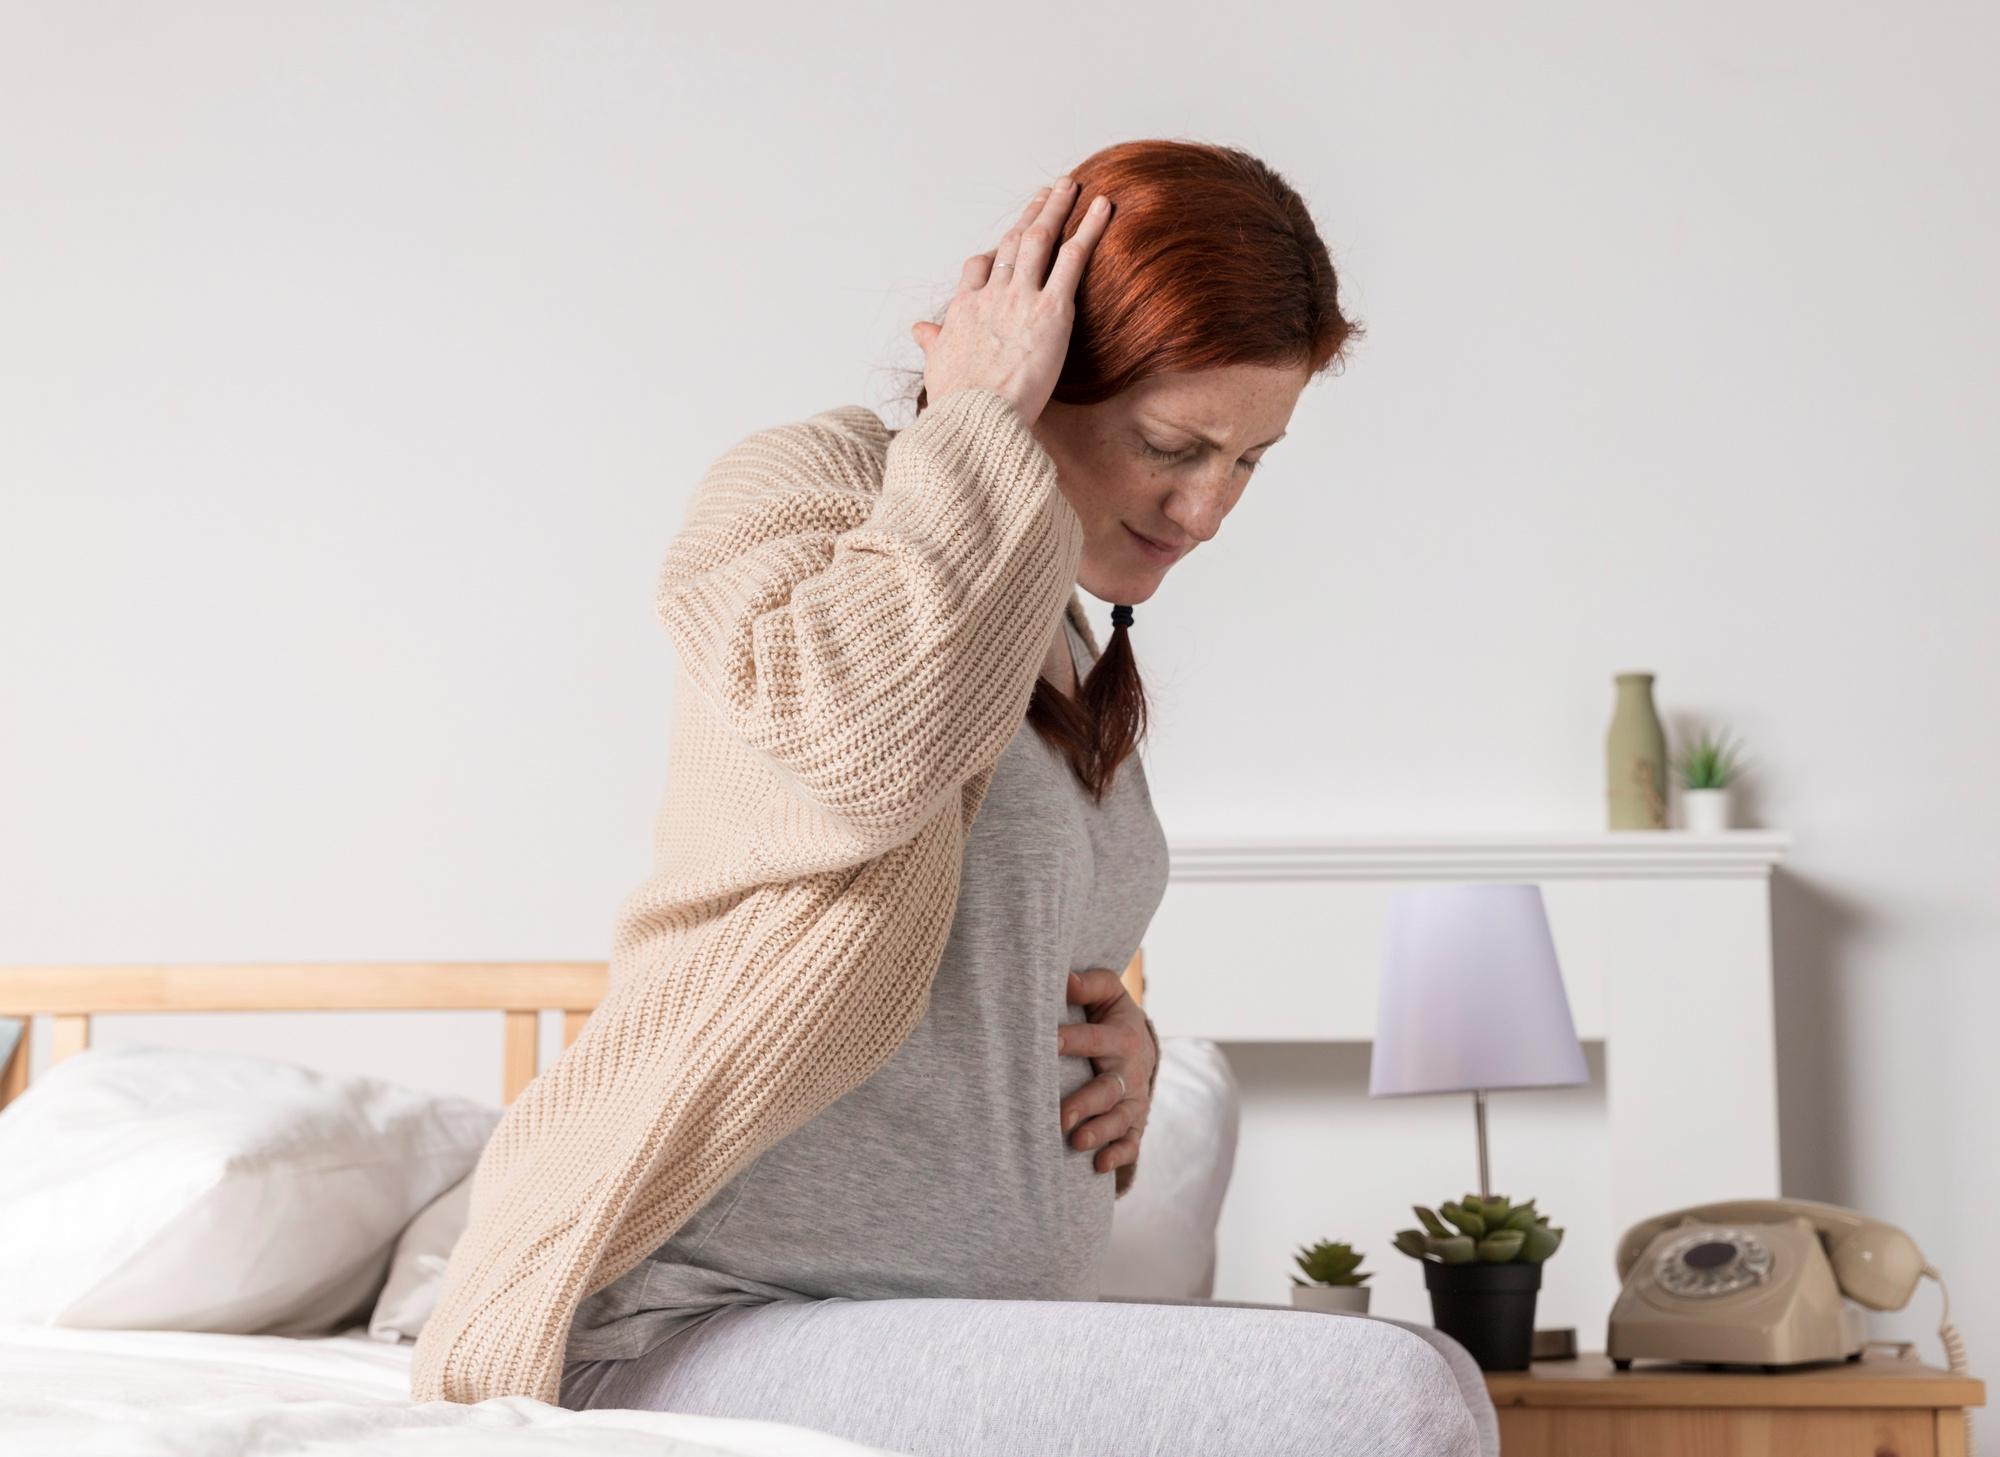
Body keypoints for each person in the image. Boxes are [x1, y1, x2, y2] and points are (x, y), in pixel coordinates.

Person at [552, 140, 1491, 1455]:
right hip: (698, 1319)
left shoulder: (1057, 625)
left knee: (1416, 1371)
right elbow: (857, 754)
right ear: (1035, 370)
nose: (1208, 509)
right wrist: (973, 423)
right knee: (1390, 1393)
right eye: (1172, 445)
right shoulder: (808, 493)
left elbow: (965, 933)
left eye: (1250, 461)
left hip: (939, 1329)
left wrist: (1106, 1047)